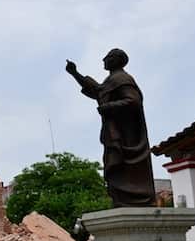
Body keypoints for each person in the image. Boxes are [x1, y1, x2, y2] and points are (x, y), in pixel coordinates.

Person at [65, 49, 155, 207]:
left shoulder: (123, 78)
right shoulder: (111, 80)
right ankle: (122, 199)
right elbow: (97, 91)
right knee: (114, 166)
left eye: (108, 57)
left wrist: (108, 107)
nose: (103, 60)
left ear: (117, 60)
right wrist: (75, 73)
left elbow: (133, 101)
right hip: (114, 133)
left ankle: (134, 198)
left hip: (126, 136)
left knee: (120, 164)